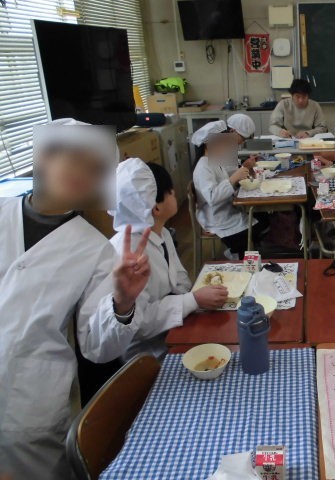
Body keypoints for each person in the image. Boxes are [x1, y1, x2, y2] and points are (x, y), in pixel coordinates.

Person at [0, 119, 152, 479]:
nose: (82, 173)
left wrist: (122, 303)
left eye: (96, 169)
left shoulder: (95, 249)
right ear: (43, 157)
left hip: (27, 408)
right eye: (73, 158)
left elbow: (97, 347)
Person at [109, 158, 229, 360]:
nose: (176, 195)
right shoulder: (127, 254)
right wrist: (193, 300)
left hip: (174, 328)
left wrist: (194, 299)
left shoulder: (161, 232)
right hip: (150, 354)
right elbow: (140, 323)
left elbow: (179, 279)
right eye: (171, 192)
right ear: (155, 207)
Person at [192, 121, 269, 259]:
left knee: (264, 217)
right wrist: (233, 179)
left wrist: (240, 177)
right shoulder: (203, 166)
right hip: (217, 219)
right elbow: (212, 197)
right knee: (260, 224)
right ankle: (237, 253)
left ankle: (242, 251)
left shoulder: (215, 160)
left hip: (226, 211)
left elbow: (227, 185)